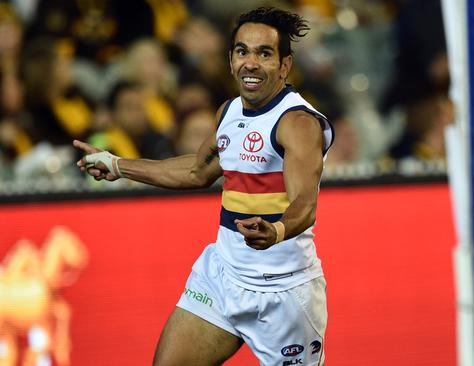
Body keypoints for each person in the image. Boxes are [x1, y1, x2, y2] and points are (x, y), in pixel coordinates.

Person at [73, 7, 333, 366]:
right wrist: (117, 164)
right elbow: (197, 171)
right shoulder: (228, 112)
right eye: (242, 51)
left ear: (285, 66)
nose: (251, 63)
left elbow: (305, 204)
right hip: (223, 275)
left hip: (283, 292)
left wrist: (275, 230)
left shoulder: (298, 123)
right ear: (230, 60)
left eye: (264, 53)